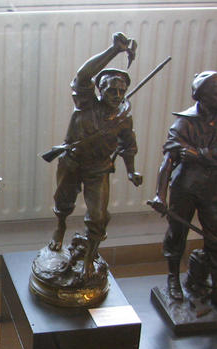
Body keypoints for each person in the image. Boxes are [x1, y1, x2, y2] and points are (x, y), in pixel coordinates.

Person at [49, 32, 143, 276]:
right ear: (100, 90)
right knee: (63, 202)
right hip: (72, 162)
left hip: (98, 169)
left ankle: (89, 258)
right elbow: (83, 75)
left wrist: (131, 171)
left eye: (121, 91)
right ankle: (60, 227)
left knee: (99, 216)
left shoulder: (124, 118)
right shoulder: (86, 103)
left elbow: (128, 145)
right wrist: (114, 50)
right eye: (112, 91)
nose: (117, 96)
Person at [152, 71, 217, 315]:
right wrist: (160, 195)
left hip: (211, 191)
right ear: (201, 96)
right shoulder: (184, 123)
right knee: (176, 235)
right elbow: (168, 162)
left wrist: (197, 154)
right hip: (184, 188)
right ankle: (173, 278)